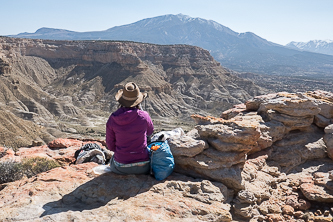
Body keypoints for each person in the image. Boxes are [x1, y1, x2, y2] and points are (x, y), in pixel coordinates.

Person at [106, 82, 154, 174]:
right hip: (143, 166)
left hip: (121, 167)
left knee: (112, 160)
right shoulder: (144, 116)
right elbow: (150, 132)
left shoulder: (113, 118)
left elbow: (110, 146)